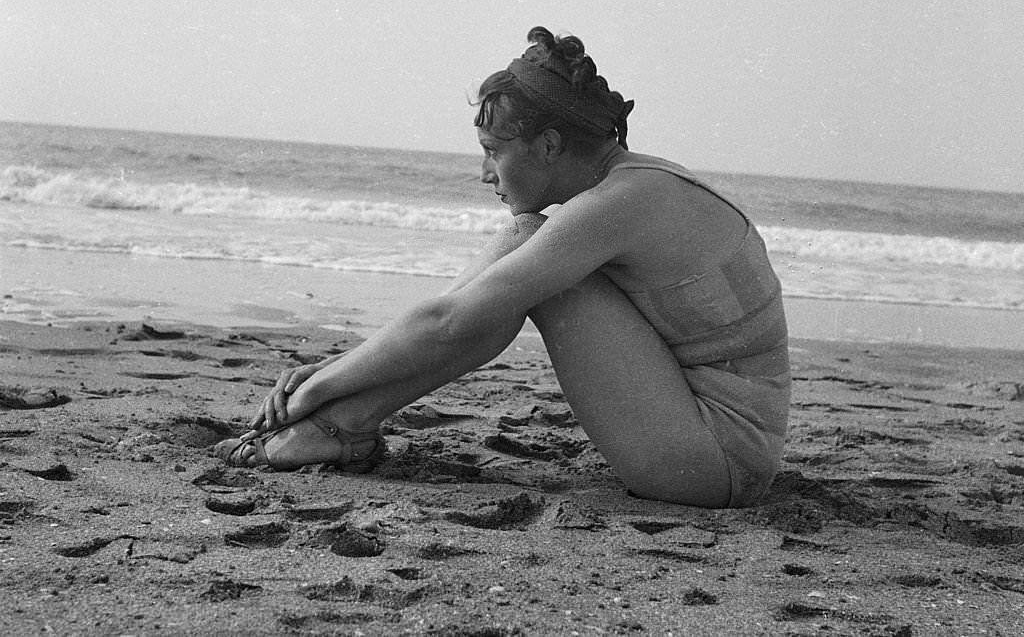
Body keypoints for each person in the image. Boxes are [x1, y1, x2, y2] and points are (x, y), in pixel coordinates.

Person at [215, 26, 790, 508]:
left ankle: (335, 426)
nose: (485, 175)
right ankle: (342, 426)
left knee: (523, 266)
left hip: (714, 463)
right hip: (703, 439)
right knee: (521, 246)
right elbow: (453, 317)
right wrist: (335, 370)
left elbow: (451, 322)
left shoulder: (619, 204)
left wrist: (314, 386)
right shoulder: (636, 184)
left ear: (548, 145)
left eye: (494, 151)